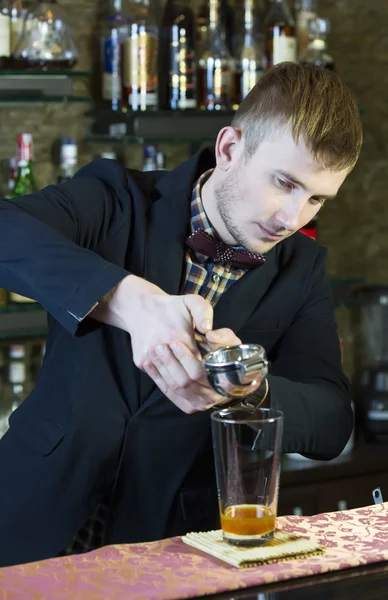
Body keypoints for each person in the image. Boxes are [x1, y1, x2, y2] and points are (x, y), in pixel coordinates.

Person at [0, 62, 362, 567]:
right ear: (231, 148)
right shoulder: (115, 199)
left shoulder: (301, 268)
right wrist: (132, 301)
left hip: (171, 546)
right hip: (29, 512)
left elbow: (331, 423)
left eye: (317, 198)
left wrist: (251, 384)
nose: (292, 219)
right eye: (284, 182)